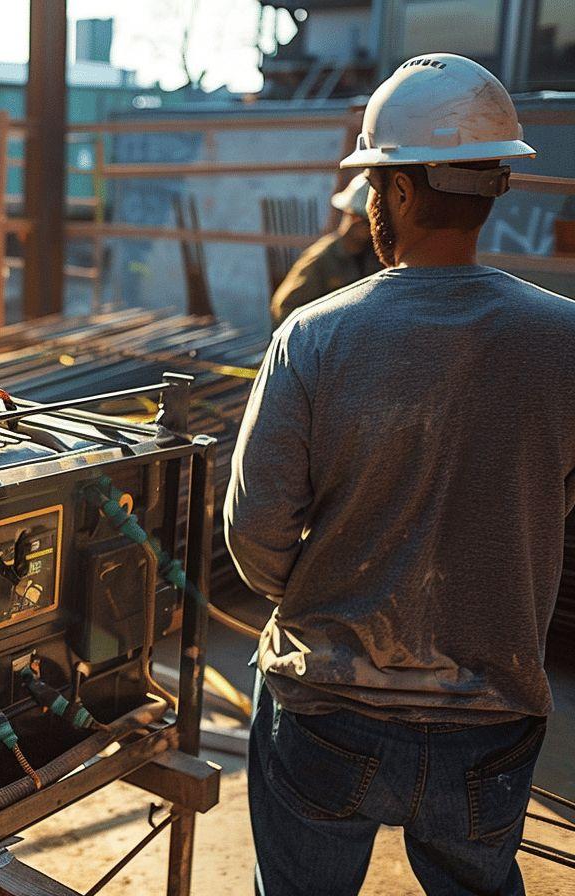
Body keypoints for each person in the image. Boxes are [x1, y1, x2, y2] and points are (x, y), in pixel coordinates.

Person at [226, 53, 569, 896]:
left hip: (328, 708)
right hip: (489, 712)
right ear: (495, 185)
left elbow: (254, 533)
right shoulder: (565, 342)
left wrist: (324, 590)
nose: (371, 203)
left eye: (376, 183)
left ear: (403, 193)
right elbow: (555, 500)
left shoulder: (314, 336)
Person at [269, 172, 378, 327]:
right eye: (369, 224)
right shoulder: (321, 258)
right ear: (354, 217)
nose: (375, 231)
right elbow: (284, 309)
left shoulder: (373, 256)